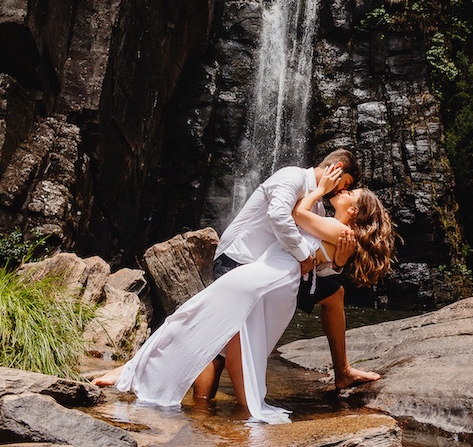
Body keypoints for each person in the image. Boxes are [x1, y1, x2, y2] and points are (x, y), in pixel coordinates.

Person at [92, 163, 395, 424]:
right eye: (345, 187)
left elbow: (296, 214)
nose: (340, 192)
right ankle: (243, 405)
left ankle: (138, 374)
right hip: (275, 283)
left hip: (264, 279)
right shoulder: (335, 229)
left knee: (192, 317)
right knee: (237, 338)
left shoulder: (336, 228)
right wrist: (338, 260)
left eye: (348, 192)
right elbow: (317, 258)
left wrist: (319, 188)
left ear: (354, 211)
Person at [194, 148, 381, 399]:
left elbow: (318, 254)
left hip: (276, 271)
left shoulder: (318, 208)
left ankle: (342, 371)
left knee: (335, 292)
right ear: (334, 169)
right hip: (239, 259)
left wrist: (338, 263)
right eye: (344, 184)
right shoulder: (290, 177)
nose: (340, 191)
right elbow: (280, 216)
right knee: (222, 341)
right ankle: (202, 408)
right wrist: (305, 256)